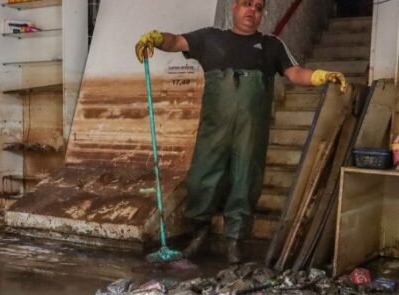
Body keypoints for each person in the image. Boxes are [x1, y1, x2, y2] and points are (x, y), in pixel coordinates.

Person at [135, 0, 348, 264]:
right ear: (233, 7)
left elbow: (294, 73)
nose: (252, 11)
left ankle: (234, 242)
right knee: (202, 178)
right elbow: (176, 42)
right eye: (247, 4)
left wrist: (320, 76)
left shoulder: (271, 45)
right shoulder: (210, 39)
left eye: (258, 7)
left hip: (251, 132)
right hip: (214, 130)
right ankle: (198, 235)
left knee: (245, 182)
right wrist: (156, 38)